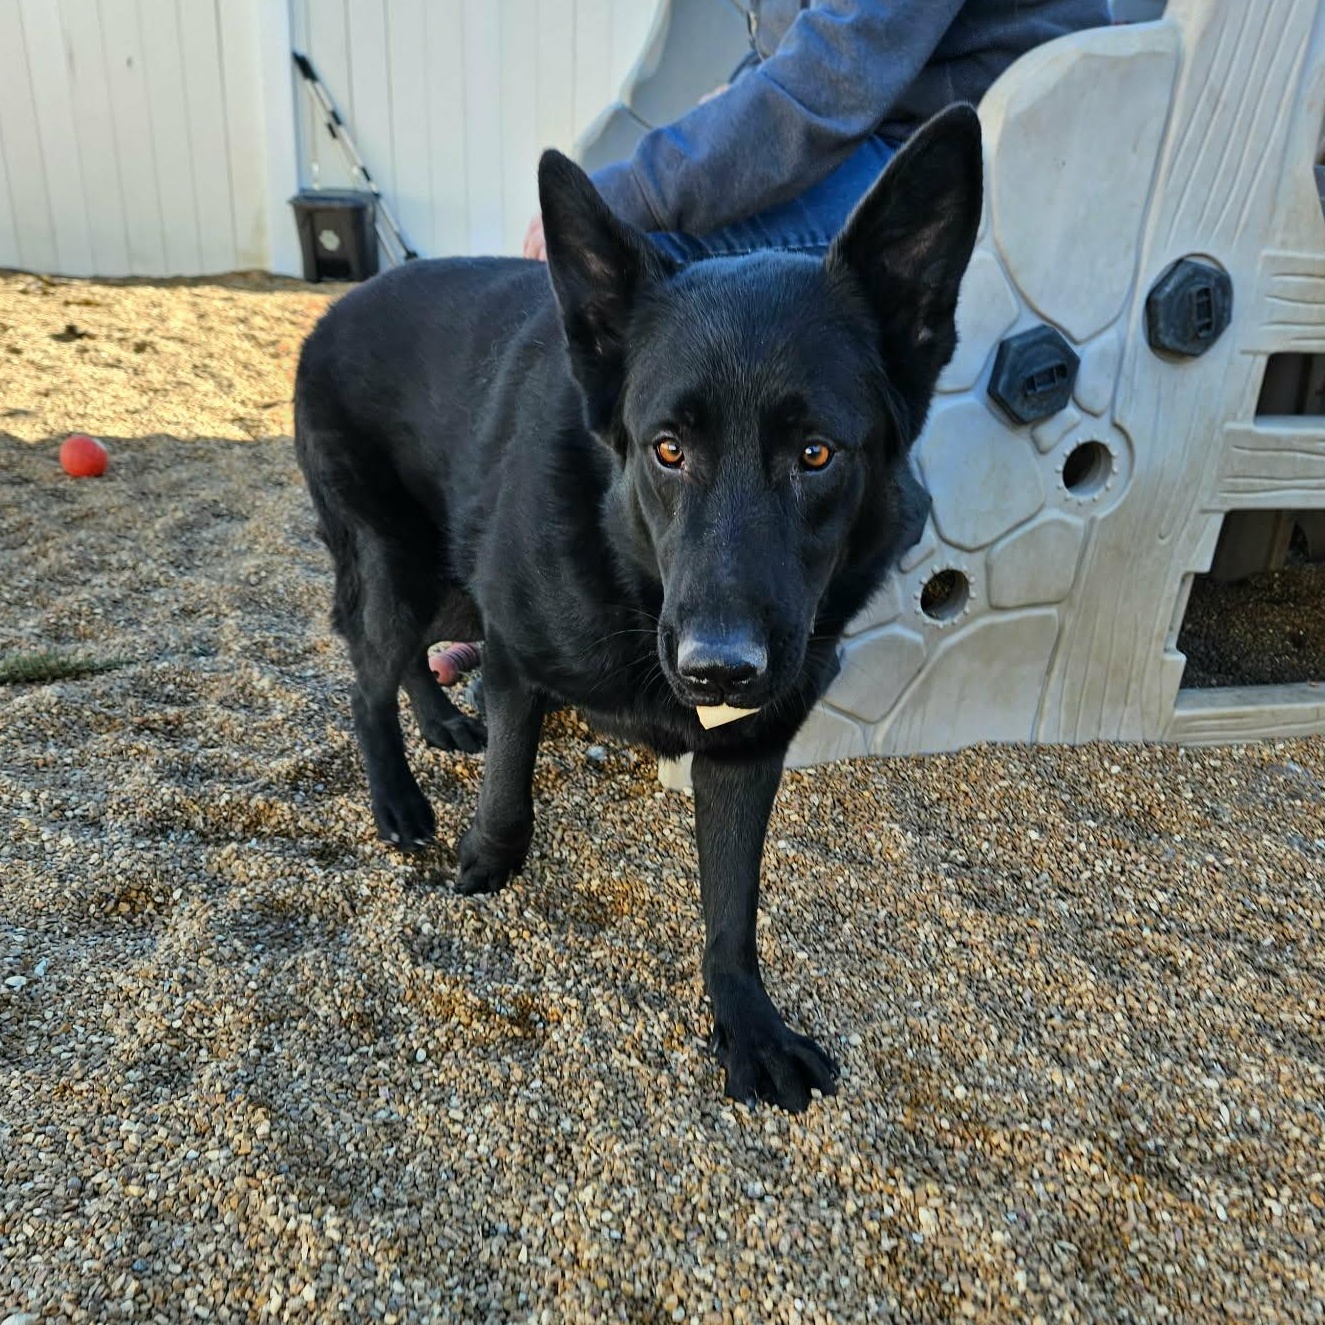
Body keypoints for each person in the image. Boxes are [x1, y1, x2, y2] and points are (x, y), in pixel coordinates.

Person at [524, 0, 1110, 262]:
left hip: (968, 161)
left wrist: (624, 198)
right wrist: (743, 85)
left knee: (635, 260)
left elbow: (829, 79)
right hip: (880, 122)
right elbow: (792, 45)